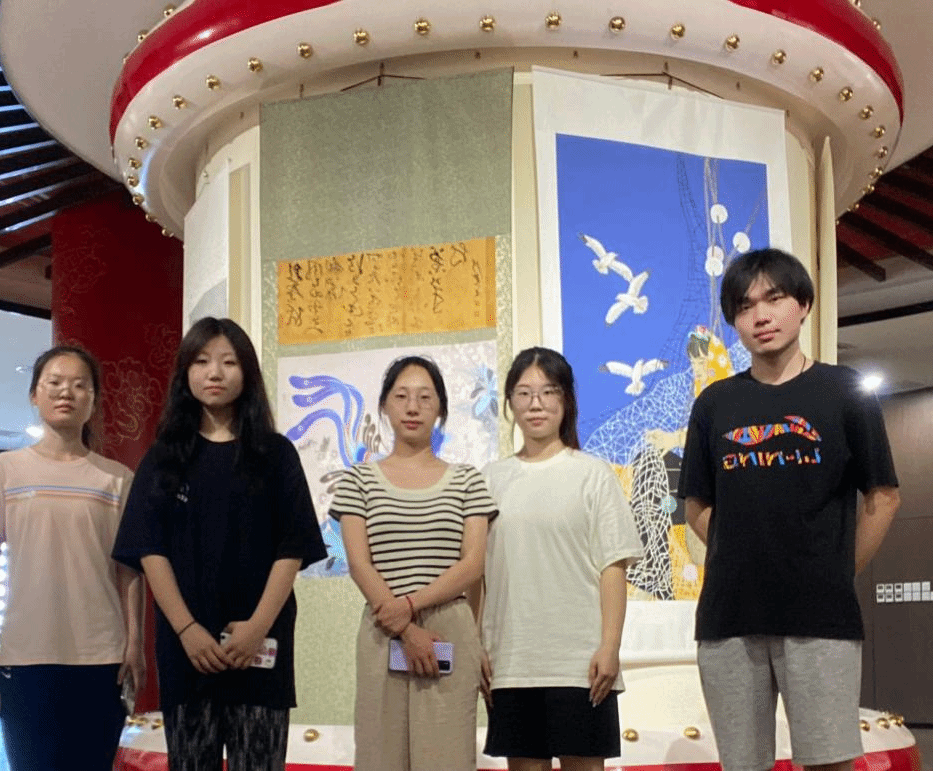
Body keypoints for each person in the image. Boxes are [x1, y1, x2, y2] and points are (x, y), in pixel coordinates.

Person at [678, 248, 900, 771]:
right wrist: (743, 552)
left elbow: (883, 496)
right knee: (743, 764)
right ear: (734, 321)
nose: (760, 315)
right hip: (729, 617)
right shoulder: (714, 404)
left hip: (821, 617)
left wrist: (836, 570)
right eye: (745, 305)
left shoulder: (845, 392)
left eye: (774, 298)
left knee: (830, 761)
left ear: (802, 305)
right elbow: (696, 505)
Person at [112, 317, 326, 771]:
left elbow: (292, 548)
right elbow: (149, 550)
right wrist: (187, 629)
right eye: (202, 361)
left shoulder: (276, 454)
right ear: (185, 373)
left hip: (261, 649)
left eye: (229, 362)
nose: (215, 373)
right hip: (187, 652)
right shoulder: (164, 457)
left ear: (246, 373)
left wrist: (257, 627)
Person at [0, 345, 145, 771]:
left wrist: (135, 643)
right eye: (55, 382)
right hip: (24, 655)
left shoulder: (118, 479)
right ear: (35, 394)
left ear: (94, 401)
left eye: (80, 385)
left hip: (102, 657)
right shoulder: (2, 469)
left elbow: (129, 569)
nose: (67, 392)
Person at [477, 347, 644, 771]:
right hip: (512, 664)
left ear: (566, 399)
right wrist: (477, 644)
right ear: (510, 403)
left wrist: (610, 646)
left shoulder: (593, 474)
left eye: (548, 391)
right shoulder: (489, 481)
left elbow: (612, 568)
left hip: (581, 666)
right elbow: (475, 575)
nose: (536, 403)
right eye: (524, 393)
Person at [329, 355, 497, 771]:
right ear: (384, 405)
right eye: (401, 396)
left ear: (440, 408)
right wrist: (404, 625)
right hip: (383, 627)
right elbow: (359, 564)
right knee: (379, 757)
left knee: (448, 759)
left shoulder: (467, 480)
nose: (413, 407)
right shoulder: (358, 481)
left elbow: (472, 564)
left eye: (425, 397)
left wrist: (409, 606)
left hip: (448, 626)